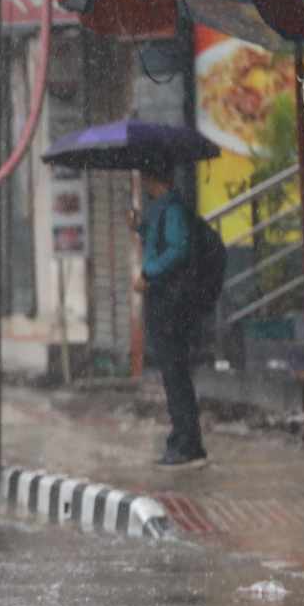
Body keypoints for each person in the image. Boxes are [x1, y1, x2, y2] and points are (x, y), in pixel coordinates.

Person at [132, 162, 207, 468]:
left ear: (153, 178)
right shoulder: (161, 209)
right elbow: (160, 243)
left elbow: (177, 249)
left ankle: (187, 444)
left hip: (169, 303)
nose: (143, 183)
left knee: (176, 374)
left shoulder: (172, 209)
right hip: (161, 299)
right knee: (172, 374)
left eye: (144, 177)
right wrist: (139, 227)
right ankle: (181, 440)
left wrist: (148, 273)